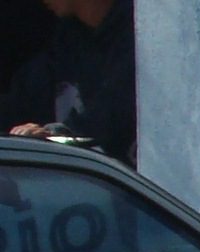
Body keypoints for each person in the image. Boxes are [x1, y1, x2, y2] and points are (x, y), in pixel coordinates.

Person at [4, 0, 132, 161]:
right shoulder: (67, 41)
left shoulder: (142, 34)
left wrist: (57, 134)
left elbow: (114, 114)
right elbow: (21, 101)